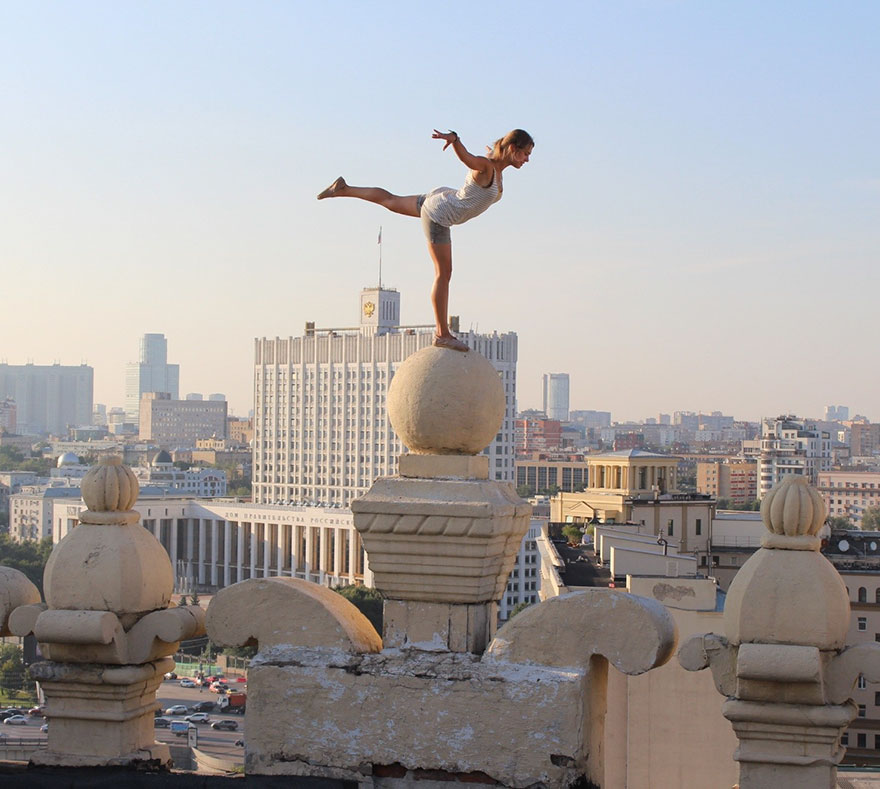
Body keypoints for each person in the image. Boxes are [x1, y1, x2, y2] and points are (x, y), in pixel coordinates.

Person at [317, 128, 534, 351]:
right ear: (512, 149)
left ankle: (343, 189)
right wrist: (456, 141)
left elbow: (485, 157)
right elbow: (468, 158)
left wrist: (488, 152)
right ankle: (442, 334)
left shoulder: (493, 165)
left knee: (391, 200)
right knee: (444, 273)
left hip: (441, 199)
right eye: (526, 153)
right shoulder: (487, 167)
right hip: (440, 215)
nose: (527, 159)